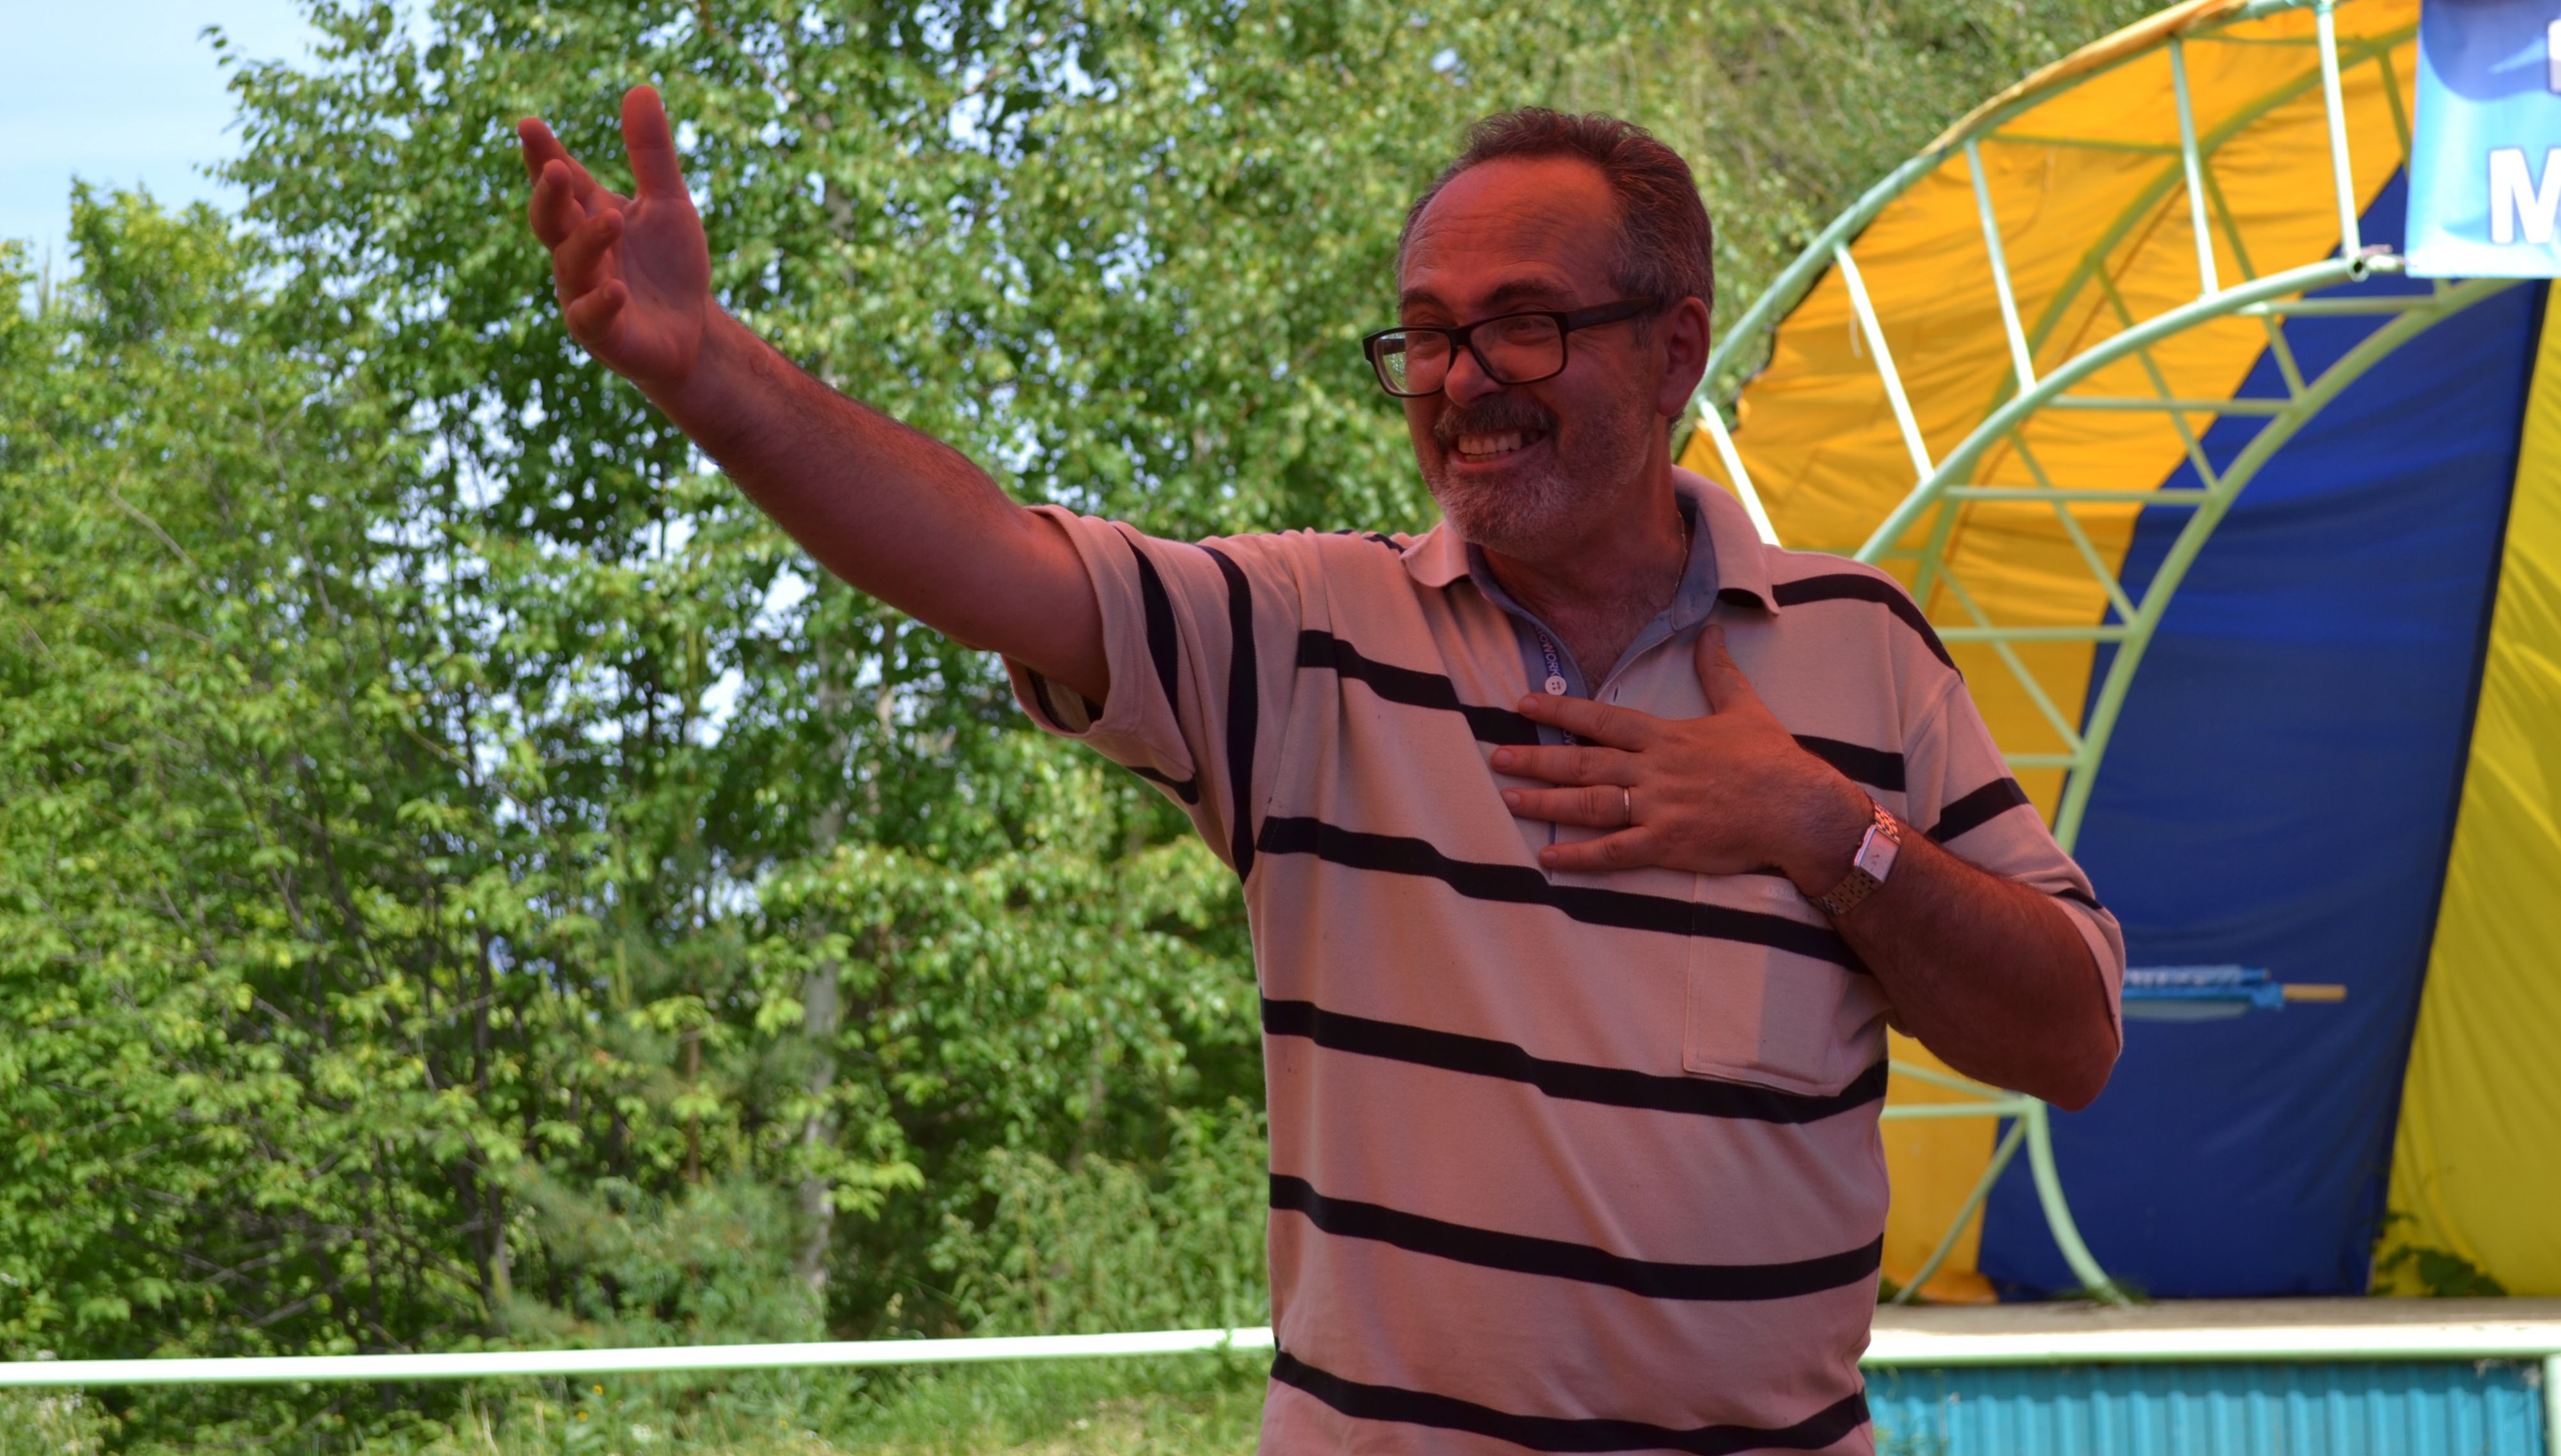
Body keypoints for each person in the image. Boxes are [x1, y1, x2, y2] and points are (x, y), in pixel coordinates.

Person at [519, 89, 2122, 1455]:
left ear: (1675, 347)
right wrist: (706, 368)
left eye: (1524, 323)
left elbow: (2070, 1036)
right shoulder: (1309, 638)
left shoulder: (1860, 646)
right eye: (1424, 336)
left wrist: (1824, 829)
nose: (1462, 380)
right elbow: (990, 561)